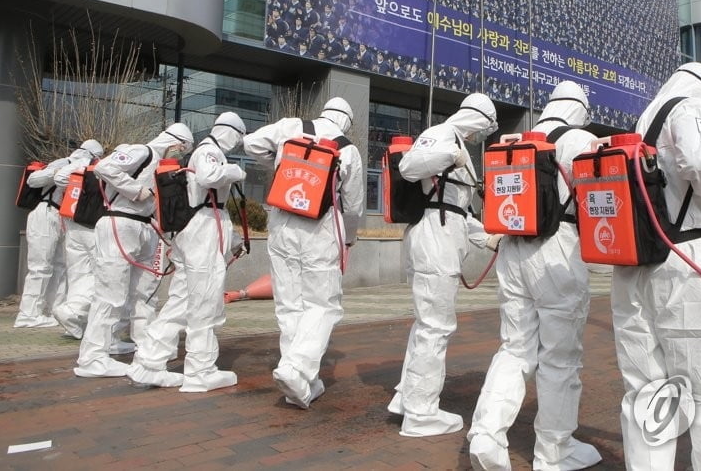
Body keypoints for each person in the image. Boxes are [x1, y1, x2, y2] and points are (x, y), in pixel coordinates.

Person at [613, 62, 701, 470]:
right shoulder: (691, 107)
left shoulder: (645, 118)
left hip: (635, 262)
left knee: (646, 391)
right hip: (682, 262)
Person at [467, 81, 602, 470]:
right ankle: (554, 452)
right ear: (580, 109)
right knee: (560, 357)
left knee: (514, 348)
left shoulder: (520, 140)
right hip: (558, 249)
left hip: (512, 248)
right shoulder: (579, 140)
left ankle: (486, 436)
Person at [387, 93, 498, 437]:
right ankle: (421, 414)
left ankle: (407, 399)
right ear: (477, 119)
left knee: (427, 324)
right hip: (434, 242)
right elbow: (409, 167)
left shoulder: (456, 142)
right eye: (484, 129)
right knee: (435, 327)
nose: (480, 138)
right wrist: (451, 154)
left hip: (443, 236)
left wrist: (488, 236)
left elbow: (457, 211)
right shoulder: (444, 135)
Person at [244, 98, 364, 408]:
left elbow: (251, 144)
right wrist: (349, 240)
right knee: (323, 304)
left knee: (289, 302)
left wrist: (282, 167)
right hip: (321, 228)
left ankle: (299, 384)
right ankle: (295, 368)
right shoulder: (347, 148)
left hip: (282, 221)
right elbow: (353, 207)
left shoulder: (290, 127)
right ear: (347, 122)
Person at [127, 113, 247, 391]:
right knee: (204, 300)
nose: (238, 143)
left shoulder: (207, 151)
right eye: (238, 136)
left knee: (181, 300)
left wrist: (233, 238)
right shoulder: (210, 152)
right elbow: (208, 178)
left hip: (196, 230)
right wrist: (236, 172)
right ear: (229, 132)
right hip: (201, 233)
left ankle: (148, 361)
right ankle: (200, 370)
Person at [74, 123, 193, 378]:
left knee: (144, 292)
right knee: (111, 293)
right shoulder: (143, 151)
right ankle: (92, 357)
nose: (181, 155)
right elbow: (105, 167)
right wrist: (136, 191)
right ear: (176, 143)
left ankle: (144, 342)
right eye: (183, 149)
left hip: (144, 227)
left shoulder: (160, 165)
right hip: (121, 221)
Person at [15, 140, 103, 328]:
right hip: (45, 213)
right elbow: (33, 180)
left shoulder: (83, 166)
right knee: (40, 266)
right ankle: (28, 314)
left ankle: (54, 309)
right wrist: (58, 173)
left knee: (60, 266)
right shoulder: (64, 163)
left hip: (62, 216)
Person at [49, 140, 106, 338]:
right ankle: (73, 311)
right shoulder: (97, 166)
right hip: (92, 227)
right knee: (100, 274)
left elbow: (61, 178)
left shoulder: (76, 167)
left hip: (74, 224)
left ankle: (74, 323)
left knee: (77, 274)